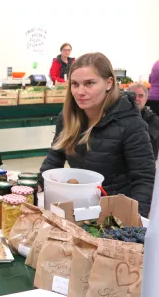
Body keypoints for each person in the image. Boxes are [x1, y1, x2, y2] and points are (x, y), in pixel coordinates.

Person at [39, 52, 155, 217]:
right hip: (80, 208)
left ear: (109, 83)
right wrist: (37, 184)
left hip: (114, 214)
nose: (80, 91)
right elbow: (55, 156)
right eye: (75, 84)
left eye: (89, 83)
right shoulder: (67, 117)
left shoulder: (131, 124)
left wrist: (134, 222)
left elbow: (144, 179)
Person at [128, 82, 159, 159]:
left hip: (144, 162)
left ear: (146, 98)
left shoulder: (154, 120)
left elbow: (143, 142)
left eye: (140, 96)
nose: (136, 99)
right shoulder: (118, 116)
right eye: (133, 95)